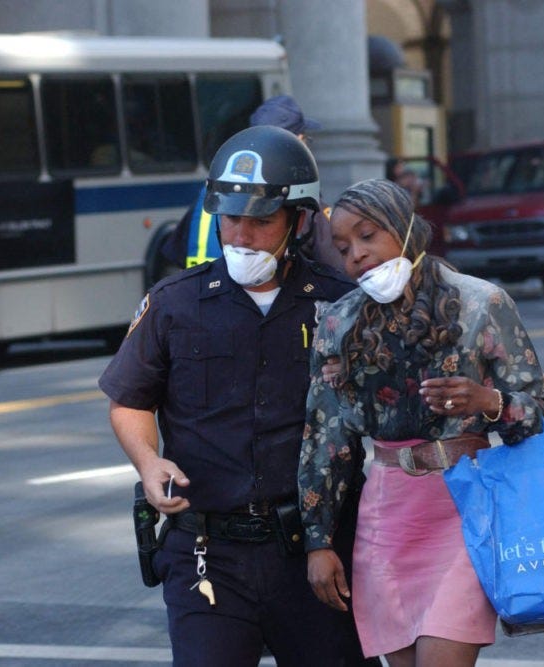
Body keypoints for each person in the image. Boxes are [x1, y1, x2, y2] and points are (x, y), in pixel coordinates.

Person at [100, 125, 377, 667]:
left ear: (298, 221)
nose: (241, 234)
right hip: (207, 555)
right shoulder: (174, 304)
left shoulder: (343, 306)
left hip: (318, 553)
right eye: (230, 218)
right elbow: (130, 399)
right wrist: (149, 460)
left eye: (260, 220)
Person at [298, 178, 544, 666]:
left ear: (406, 227)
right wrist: (318, 540)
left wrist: (488, 401)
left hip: (464, 508)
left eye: (368, 236)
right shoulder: (338, 321)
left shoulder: (482, 303)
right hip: (387, 516)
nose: (356, 256)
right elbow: (325, 439)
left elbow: (540, 415)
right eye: (344, 247)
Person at [161, 94, 343, 272]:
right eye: (232, 218)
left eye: (262, 222)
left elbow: (173, 254)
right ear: (297, 142)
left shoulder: (213, 193)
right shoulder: (298, 200)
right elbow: (337, 268)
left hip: (205, 295)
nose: (241, 238)